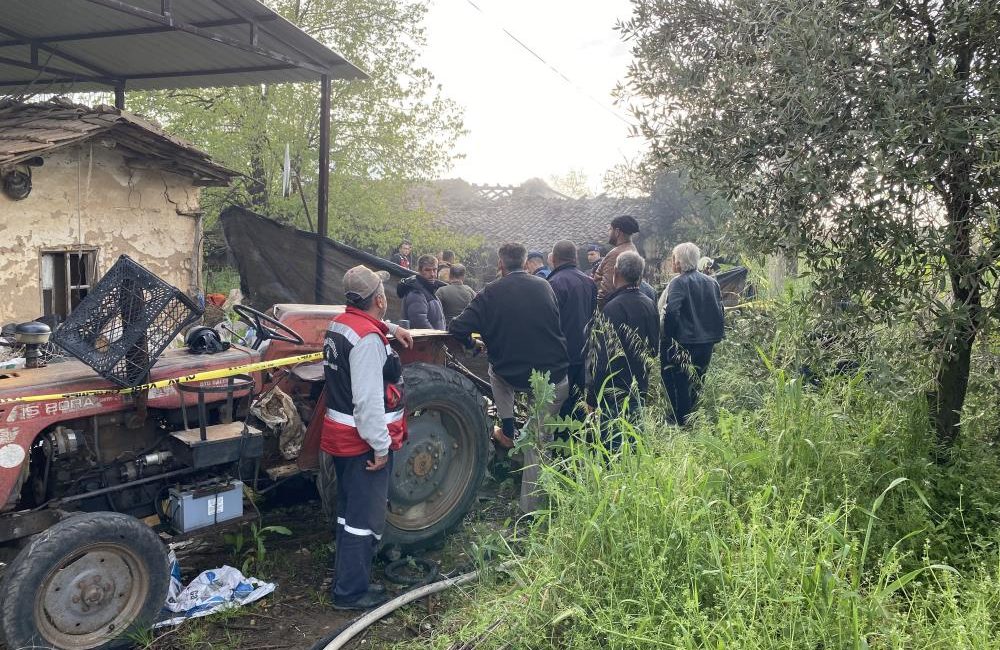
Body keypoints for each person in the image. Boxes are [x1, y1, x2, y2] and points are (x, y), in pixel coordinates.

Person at [449, 242, 569, 513]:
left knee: (495, 373)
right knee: (540, 442)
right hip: (555, 377)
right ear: (526, 264)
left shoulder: (489, 293)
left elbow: (456, 327)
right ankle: (531, 508)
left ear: (500, 265)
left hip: (513, 373)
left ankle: (508, 430)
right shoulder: (545, 286)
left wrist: (471, 344)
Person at [319, 265, 413, 610]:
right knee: (364, 520)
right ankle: (350, 593)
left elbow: (362, 328)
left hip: (340, 439)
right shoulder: (369, 342)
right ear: (379, 298)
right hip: (363, 444)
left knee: (348, 513)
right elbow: (368, 401)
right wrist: (381, 447)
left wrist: (391, 328)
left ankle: (348, 576)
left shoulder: (341, 325)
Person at [589, 251, 659, 450]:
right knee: (635, 443)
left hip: (613, 392)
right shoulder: (649, 303)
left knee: (613, 446)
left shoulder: (612, 308)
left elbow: (602, 359)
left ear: (616, 273)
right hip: (640, 386)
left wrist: (592, 398)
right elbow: (654, 349)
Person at [660, 242, 725, 425]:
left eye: (673, 258)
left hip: (684, 340)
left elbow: (672, 312)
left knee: (679, 381)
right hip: (707, 341)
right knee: (698, 380)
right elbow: (720, 310)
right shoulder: (712, 282)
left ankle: (681, 421)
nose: (672, 262)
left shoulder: (678, 282)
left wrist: (668, 337)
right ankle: (692, 417)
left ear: (679, 261)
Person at [547, 240, 597, 421]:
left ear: (553, 259)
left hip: (560, 355)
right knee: (579, 404)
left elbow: (549, 321)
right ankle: (578, 443)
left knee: (560, 407)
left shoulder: (553, 283)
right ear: (575, 257)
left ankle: (561, 446)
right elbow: (593, 315)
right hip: (584, 352)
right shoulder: (589, 282)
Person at [594, 215, 640, 308]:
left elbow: (606, 290)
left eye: (610, 229)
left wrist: (598, 312)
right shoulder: (632, 249)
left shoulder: (616, 254)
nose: (608, 233)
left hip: (612, 309)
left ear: (617, 232)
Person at [397, 255, 446, 330]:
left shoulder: (428, 290)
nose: (432, 274)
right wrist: (436, 338)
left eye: (434, 270)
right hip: (426, 341)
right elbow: (419, 322)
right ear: (419, 271)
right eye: (427, 270)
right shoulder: (416, 293)